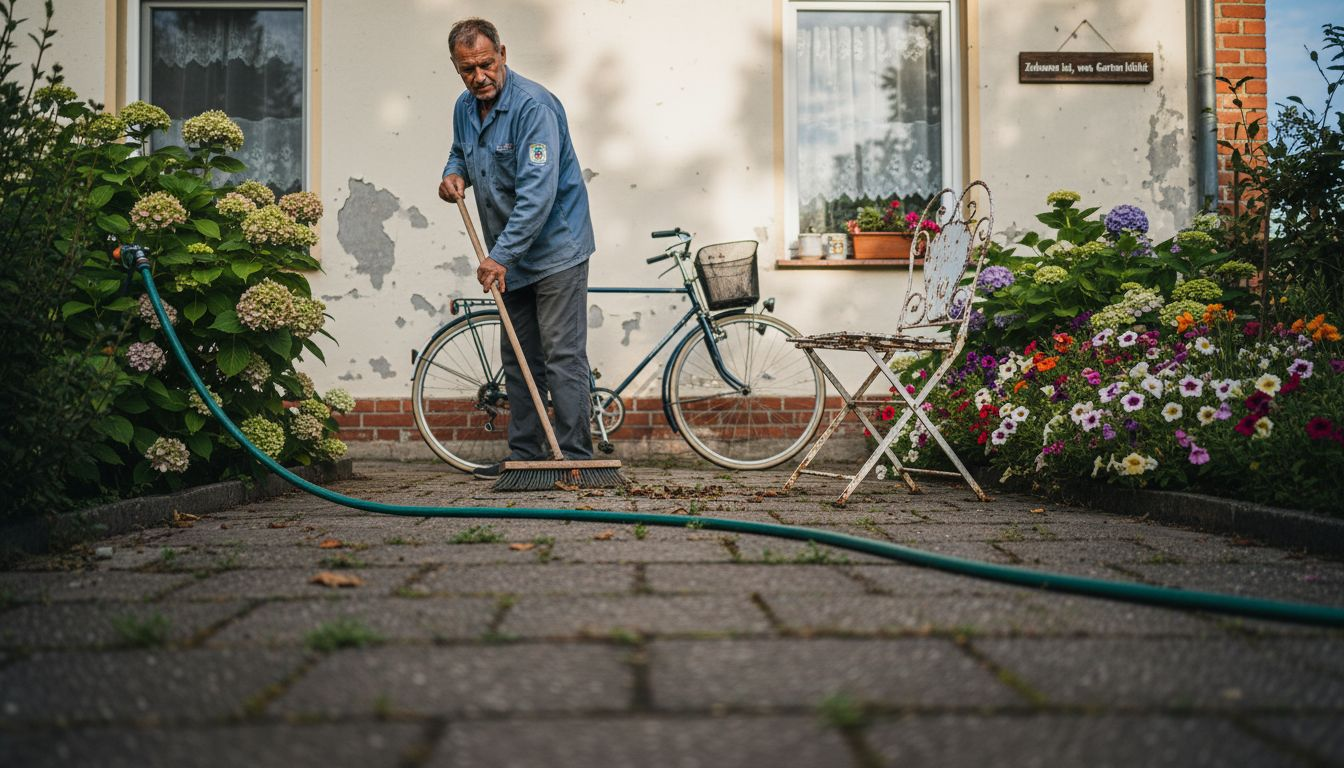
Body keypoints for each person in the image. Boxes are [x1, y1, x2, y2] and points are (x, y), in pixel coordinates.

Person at [437, 17, 596, 479]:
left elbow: (538, 195)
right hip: (509, 254)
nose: (479, 76)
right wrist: (454, 176)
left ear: (503, 54)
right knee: (519, 357)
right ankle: (526, 459)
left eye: (486, 64)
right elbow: (459, 152)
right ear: (456, 68)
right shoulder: (464, 108)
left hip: (555, 251)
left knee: (562, 354)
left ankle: (577, 460)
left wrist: (499, 256)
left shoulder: (534, 108)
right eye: (468, 70)